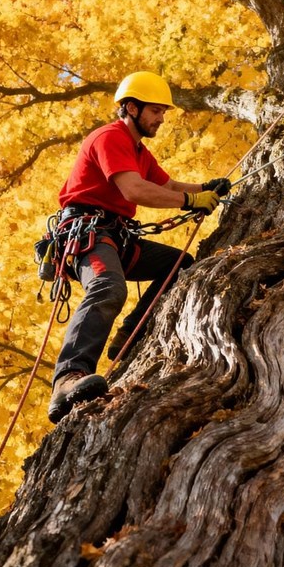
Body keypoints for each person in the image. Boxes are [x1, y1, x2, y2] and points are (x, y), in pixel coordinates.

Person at [47, 71, 231, 424]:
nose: (161, 118)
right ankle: (67, 379)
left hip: (116, 238)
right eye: (156, 111)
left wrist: (206, 187)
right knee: (107, 287)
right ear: (131, 108)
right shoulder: (110, 137)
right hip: (89, 234)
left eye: (163, 112)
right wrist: (191, 200)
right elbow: (134, 190)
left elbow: (167, 183)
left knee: (178, 264)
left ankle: (128, 338)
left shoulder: (138, 151)